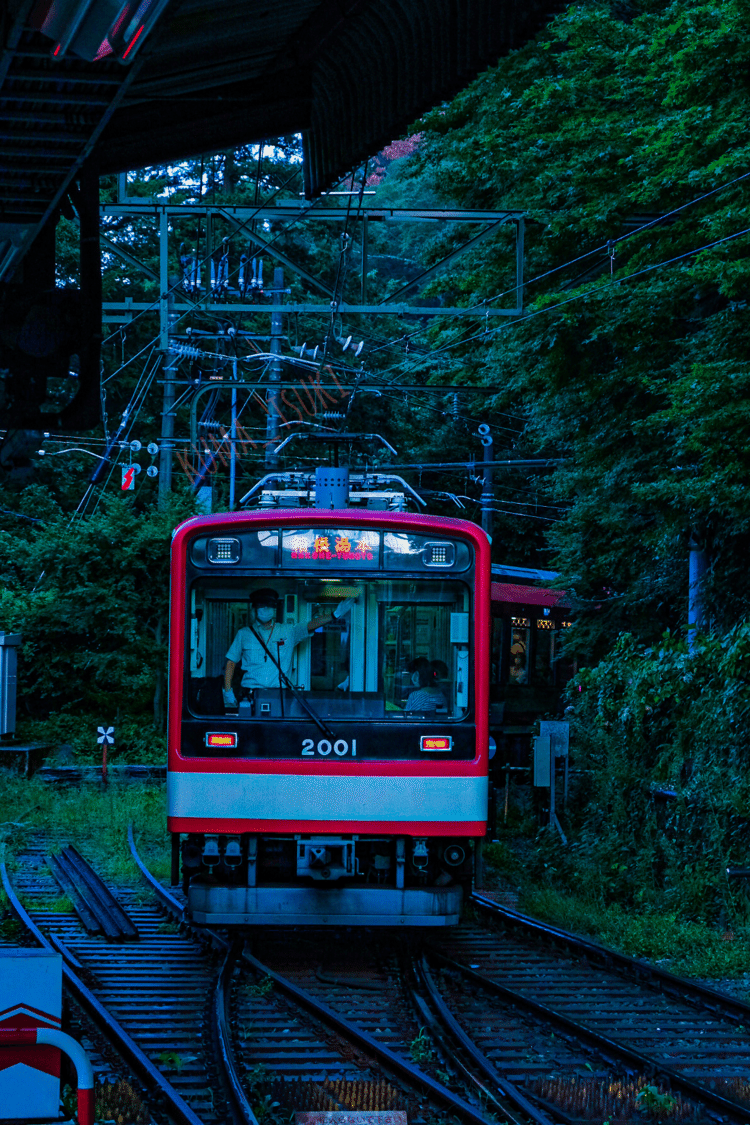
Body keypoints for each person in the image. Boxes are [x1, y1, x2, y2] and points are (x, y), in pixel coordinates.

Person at [222, 587, 355, 707]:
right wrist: (227, 691)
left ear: (274, 609)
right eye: (261, 606)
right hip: (250, 693)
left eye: (269, 606)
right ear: (254, 609)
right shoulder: (244, 634)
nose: (265, 609)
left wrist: (334, 615)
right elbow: (231, 662)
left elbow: (310, 625)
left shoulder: (287, 631)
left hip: (280, 695)